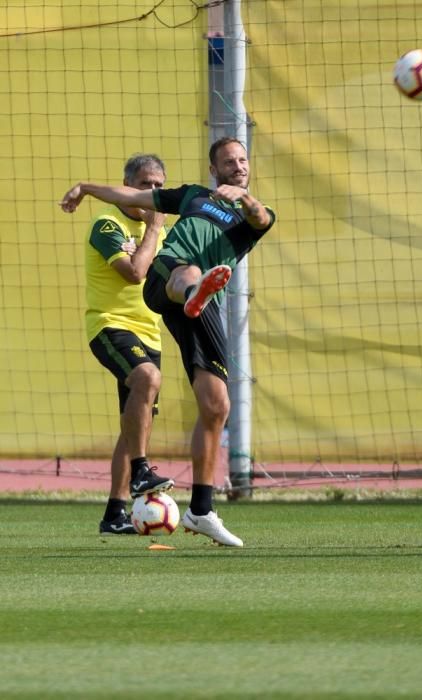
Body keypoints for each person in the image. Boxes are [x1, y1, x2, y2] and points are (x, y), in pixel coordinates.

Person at [61, 137, 276, 546]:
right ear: (213, 170)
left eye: (242, 159)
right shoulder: (193, 196)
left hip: (201, 306)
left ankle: (201, 509)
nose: (237, 166)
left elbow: (261, 218)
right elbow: (132, 194)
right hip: (168, 279)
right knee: (189, 272)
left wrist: (245, 201)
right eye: (228, 162)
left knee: (217, 405)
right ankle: (193, 291)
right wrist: (87, 187)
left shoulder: (253, 216)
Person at [81, 153, 174, 535]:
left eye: (158, 186)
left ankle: (114, 515)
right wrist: (152, 230)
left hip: (150, 333)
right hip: (110, 326)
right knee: (147, 378)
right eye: (144, 185)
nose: (152, 192)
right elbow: (135, 273)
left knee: (133, 428)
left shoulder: (166, 235)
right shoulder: (108, 224)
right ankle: (140, 472)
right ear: (126, 188)